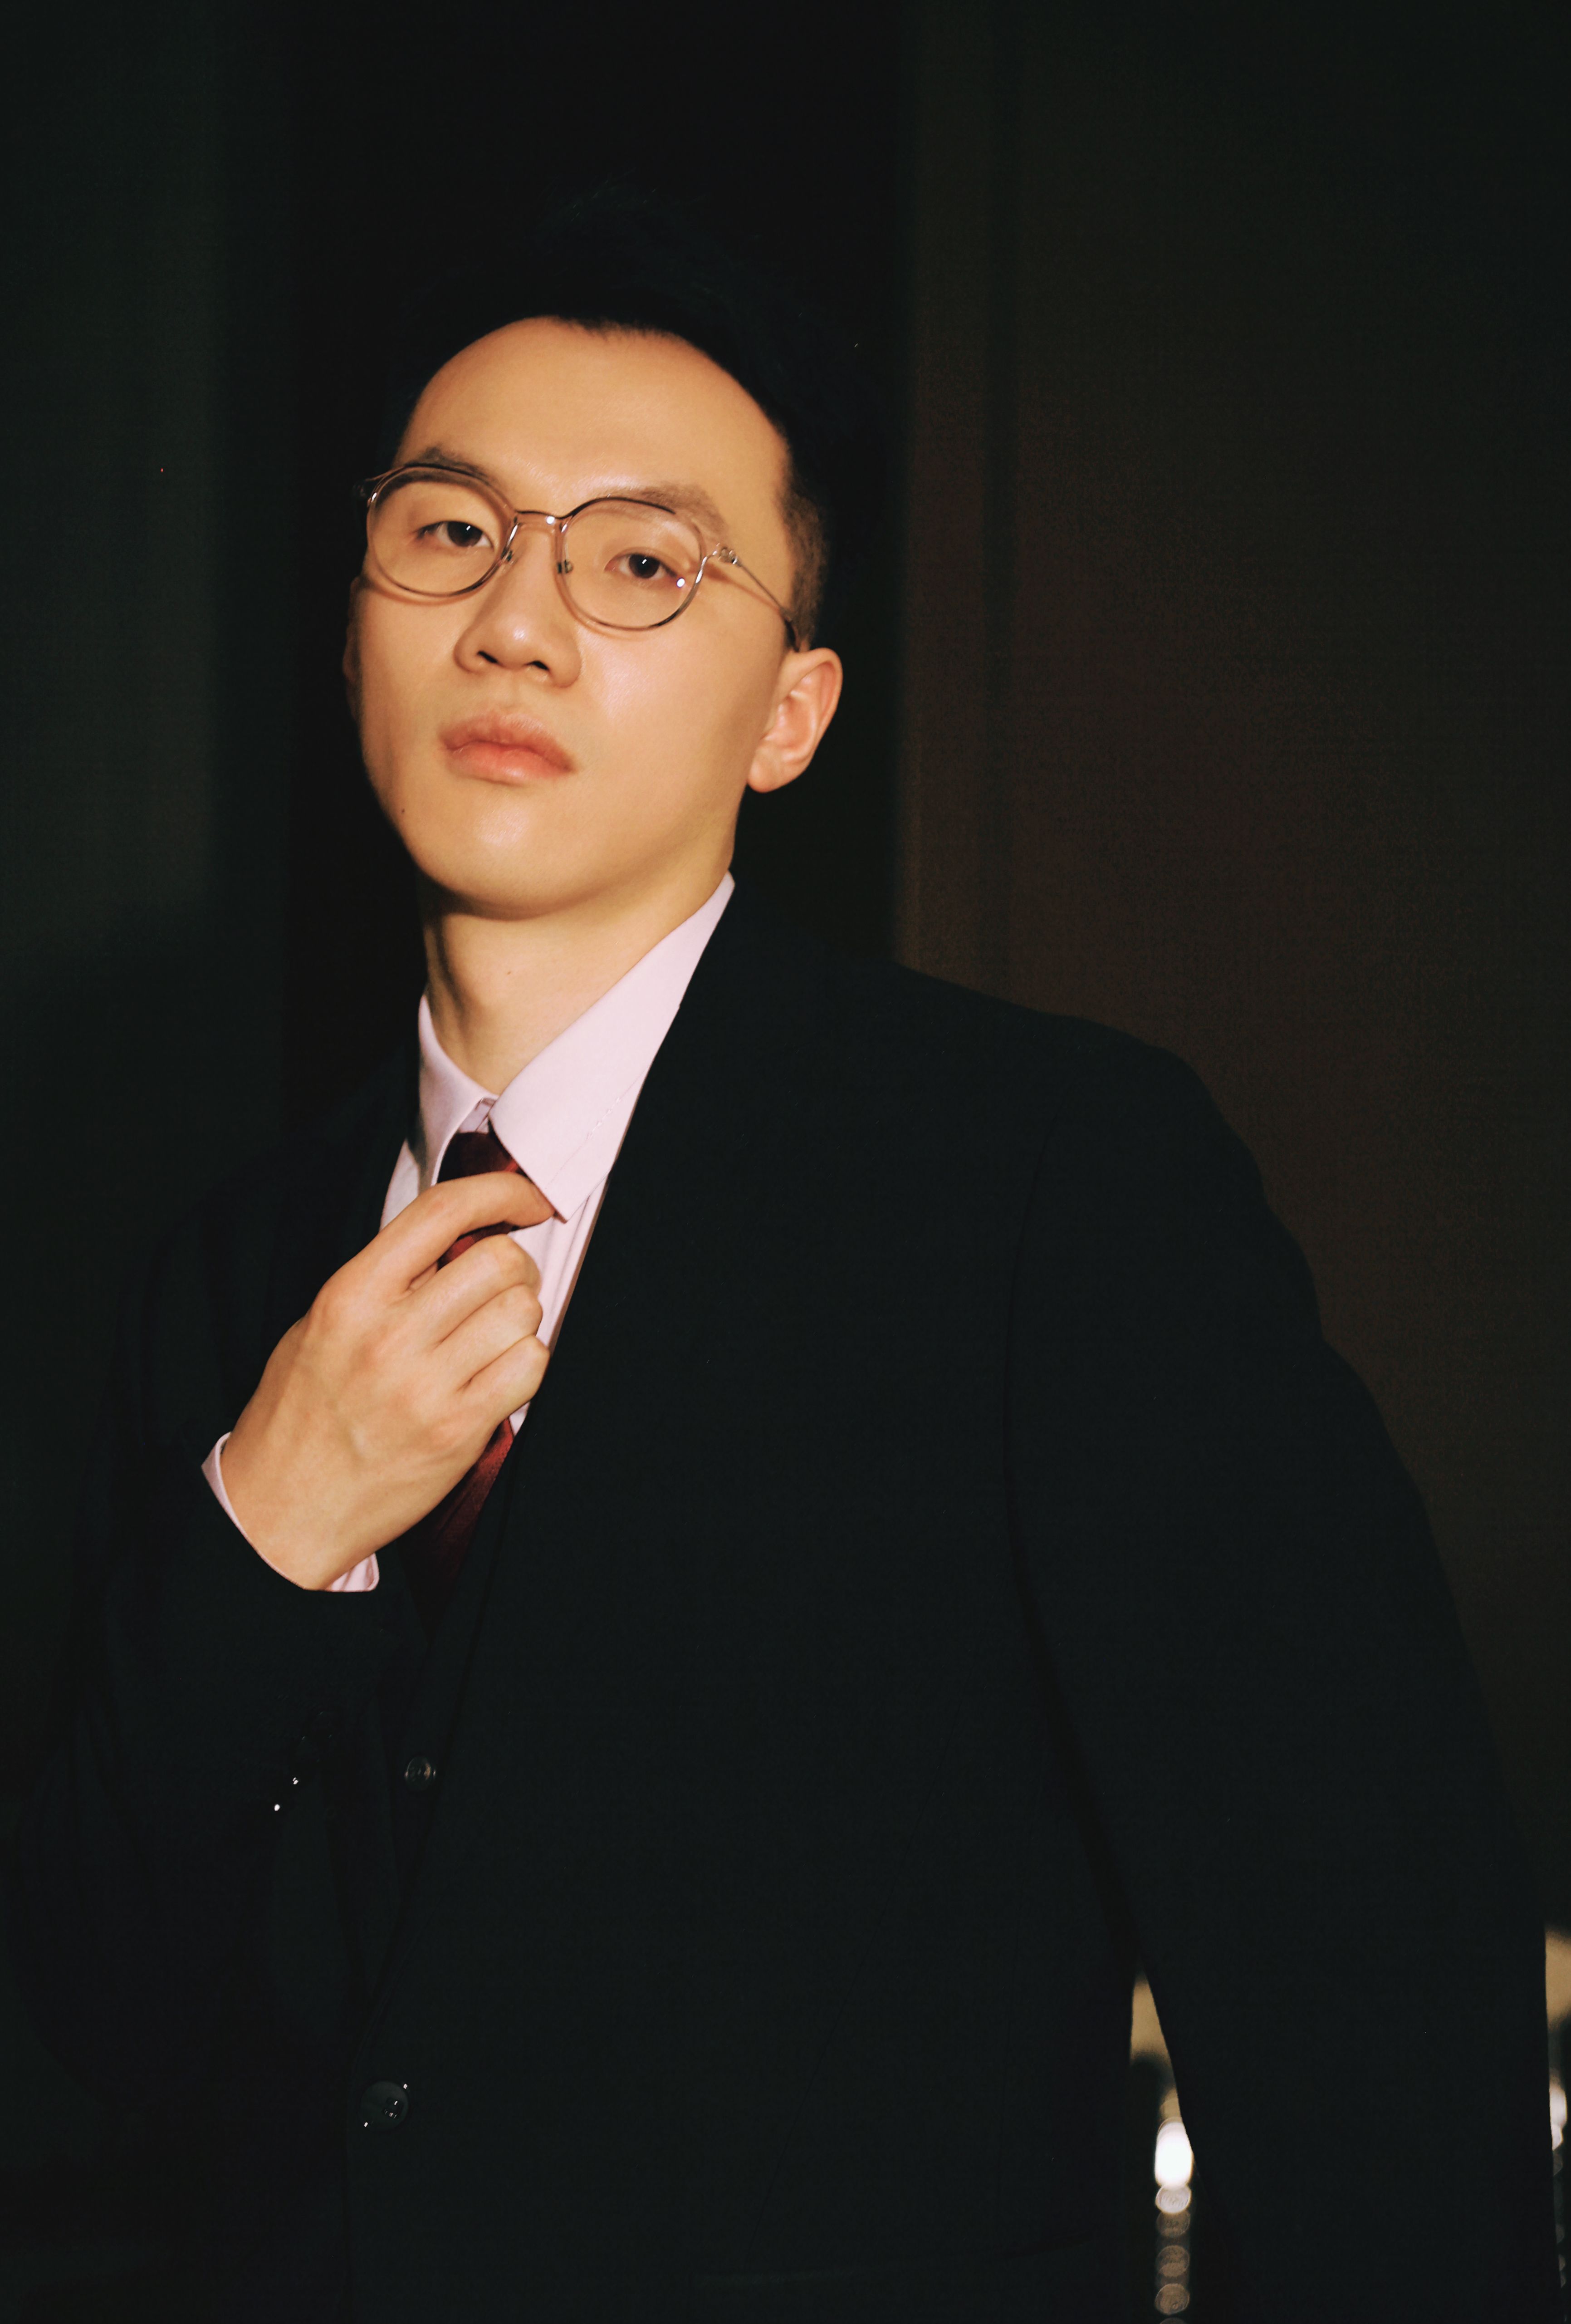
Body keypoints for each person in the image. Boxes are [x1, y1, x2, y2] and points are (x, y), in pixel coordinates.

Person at [5, 192, 1559, 2324]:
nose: (515, 624)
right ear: (353, 627)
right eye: (450, 534)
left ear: (791, 715)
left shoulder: (1048, 1181)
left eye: (641, 564)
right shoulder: (216, 1265)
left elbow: (1367, 1998)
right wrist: (261, 1536)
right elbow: (92, 2045)